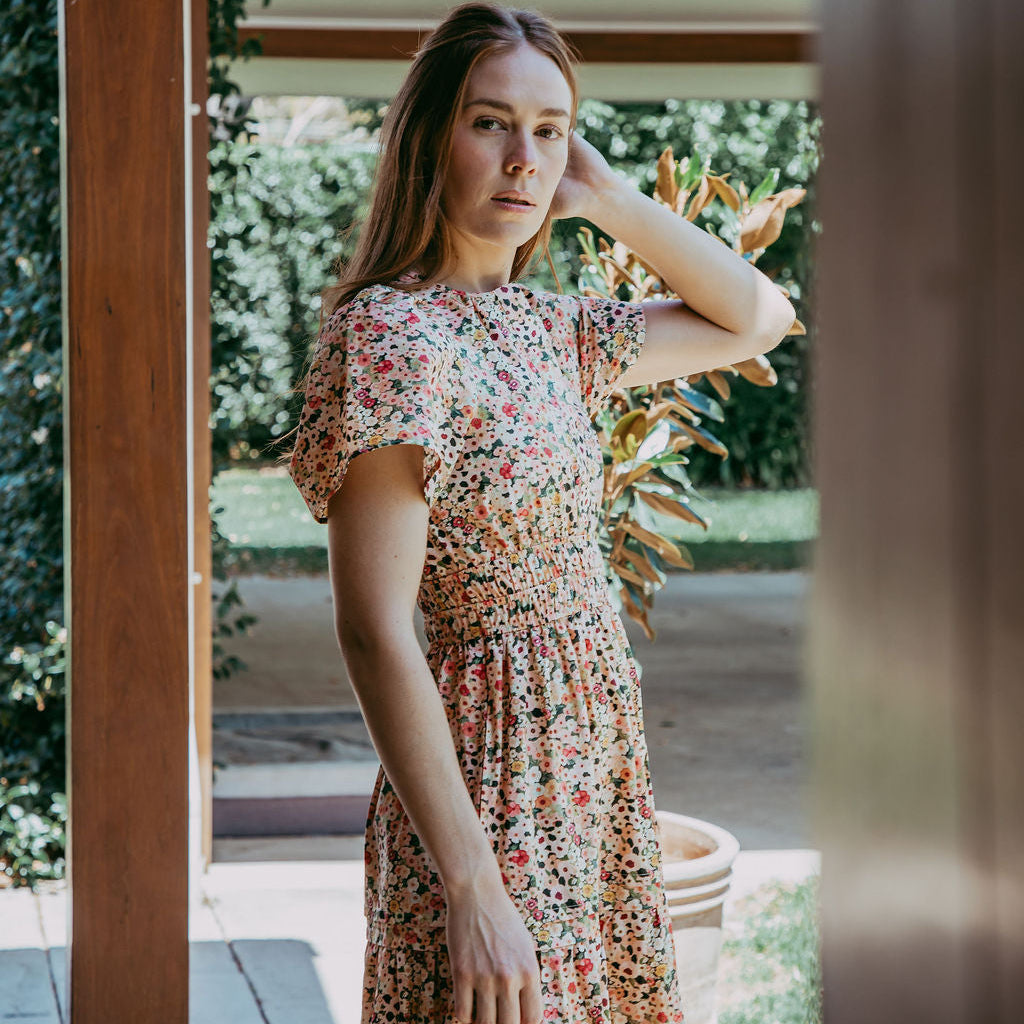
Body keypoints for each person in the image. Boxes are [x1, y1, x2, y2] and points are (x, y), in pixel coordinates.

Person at [284, 3, 796, 1022]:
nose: (525, 158)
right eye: (490, 123)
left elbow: (760, 319)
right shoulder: (393, 335)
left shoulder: (557, 331)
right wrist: (473, 886)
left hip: (586, 763)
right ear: (430, 134)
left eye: (550, 130)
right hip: (488, 774)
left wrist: (603, 195)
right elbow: (372, 627)